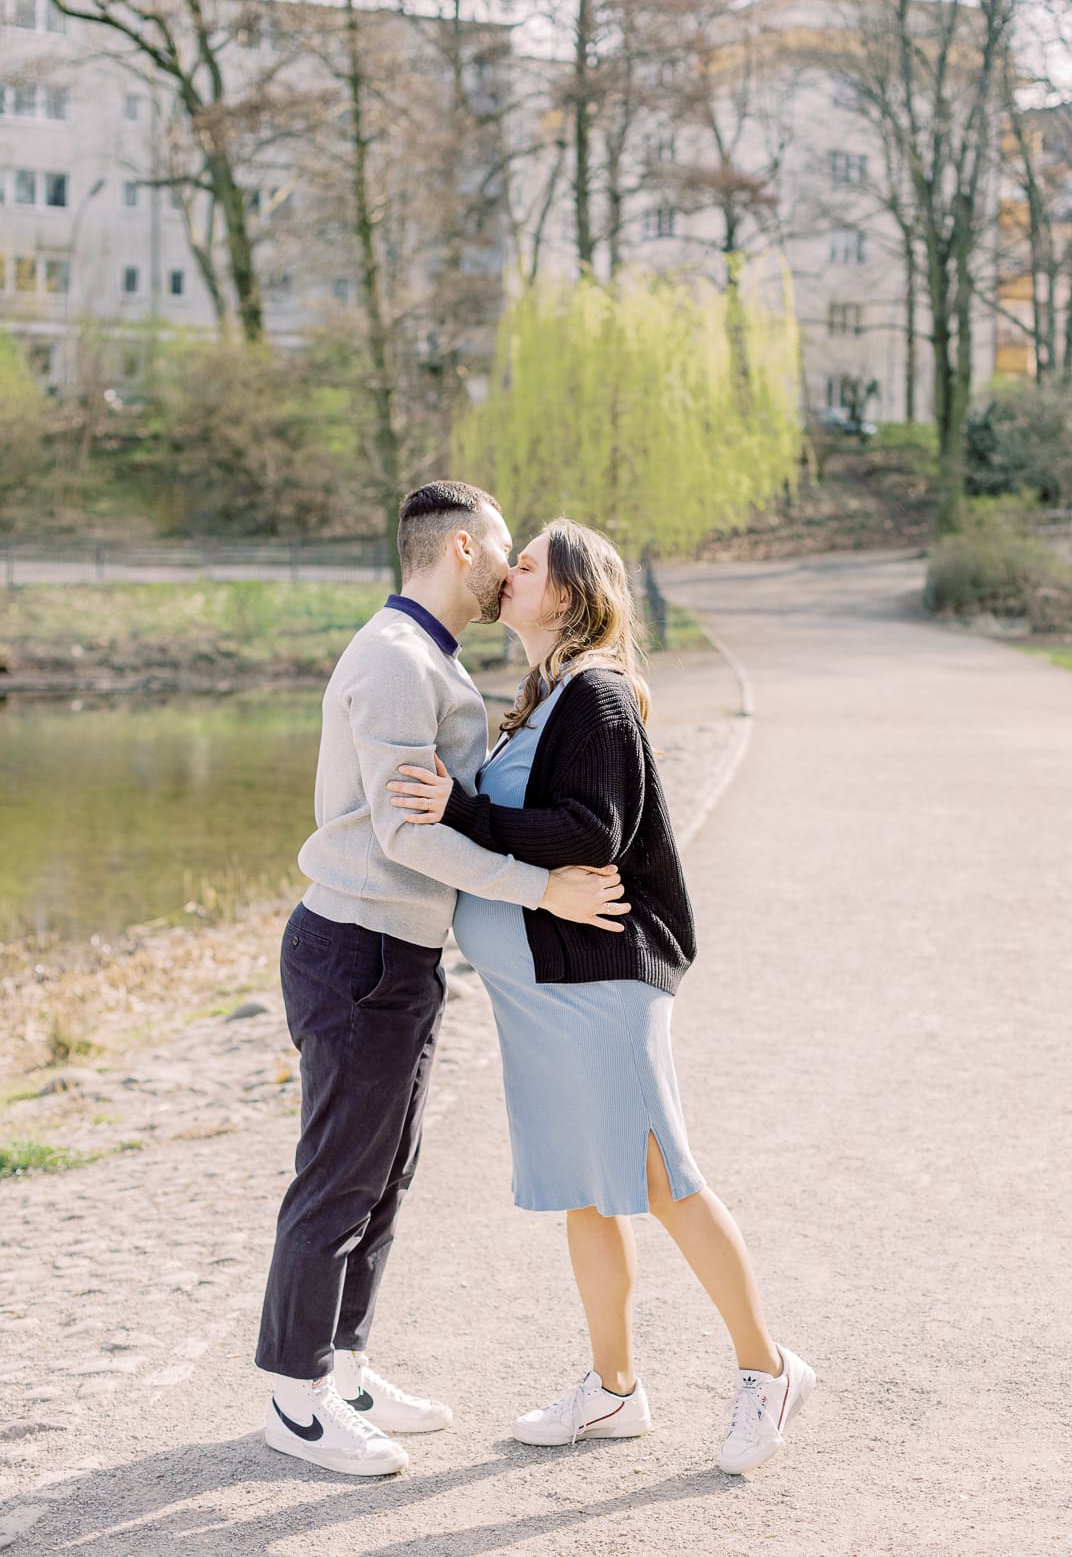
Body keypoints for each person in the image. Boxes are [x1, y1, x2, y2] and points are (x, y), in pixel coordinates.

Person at [388, 517, 814, 1476]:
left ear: (570, 597)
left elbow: (591, 829)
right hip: (544, 992)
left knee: (663, 1175)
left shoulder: (599, 696)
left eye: (528, 563)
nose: (509, 573)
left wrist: (459, 808)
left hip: (601, 986)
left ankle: (768, 1368)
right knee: (588, 1187)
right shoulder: (547, 699)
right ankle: (613, 1389)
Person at [256, 483, 630, 1477]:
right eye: (504, 552)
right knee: (339, 1178)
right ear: (462, 550)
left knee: (384, 1178)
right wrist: (540, 889)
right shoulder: (392, 661)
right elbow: (404, 831)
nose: (513, 572)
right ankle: (295, 1400)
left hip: (398, 954)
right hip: (357, 946)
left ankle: (343, 1365)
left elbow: (449, 807)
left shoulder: (430, 660)